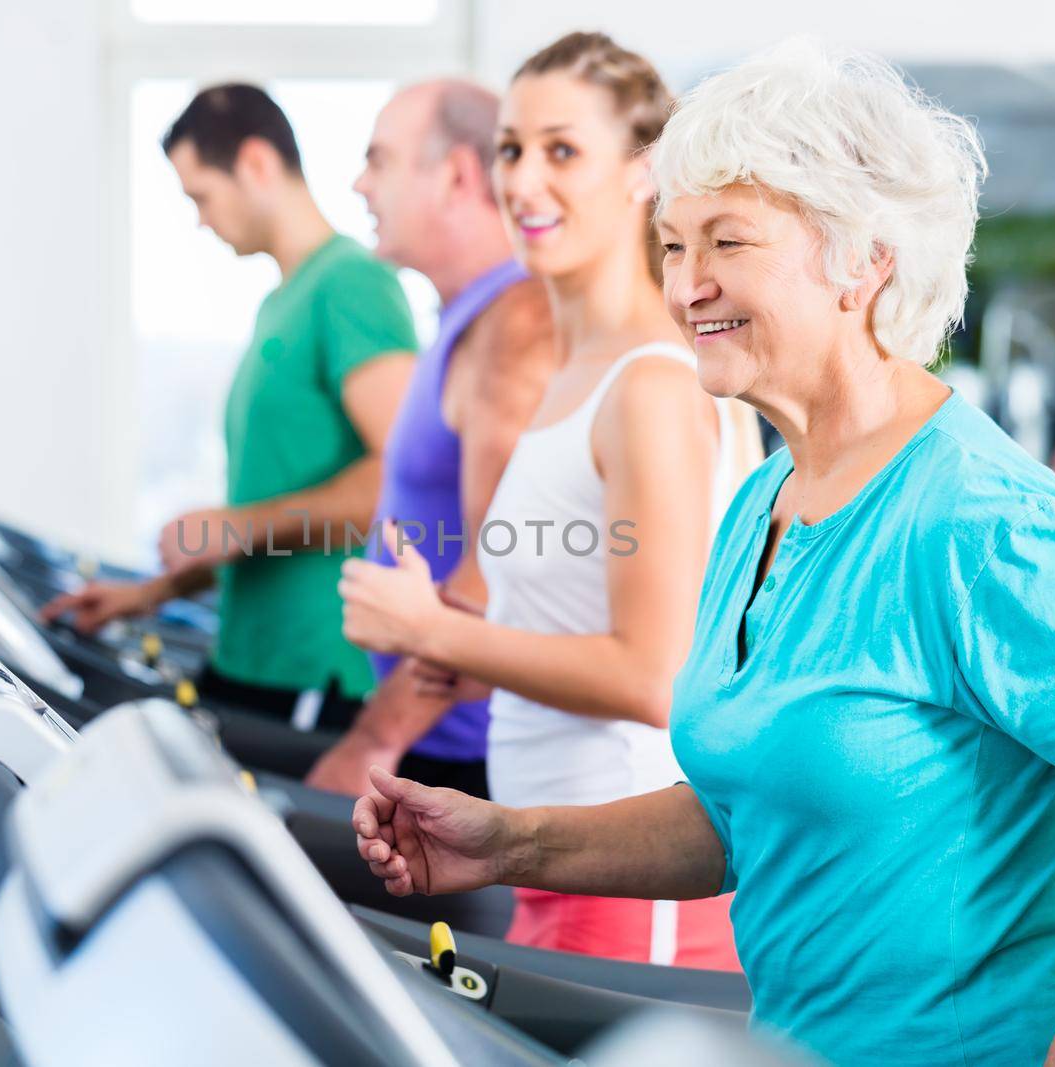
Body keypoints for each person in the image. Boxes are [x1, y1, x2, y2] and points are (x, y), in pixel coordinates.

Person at [352, 39, 1055, 1066]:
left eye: (727, 241)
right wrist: (506, 839)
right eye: (671, 245)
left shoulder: (983, 524)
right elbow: (739, 813)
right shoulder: (765, 498)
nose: (687, 284)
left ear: (863, 259)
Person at [339, 33, 758, 969]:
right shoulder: (585, 367)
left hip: (626, 887)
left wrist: (429, 630)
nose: (524, 182)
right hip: (552, 865)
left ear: (642, 172)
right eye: (513, 149)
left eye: (562, 151)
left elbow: (652, 678)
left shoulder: (650, 383)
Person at [43, 84, 416, 729]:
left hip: (317, 670)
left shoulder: (353, 284)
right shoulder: (284, 300)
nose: (200, 219)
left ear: (256, 164)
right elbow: (263, 512)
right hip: (248, 658)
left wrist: (234, 526)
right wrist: (151, 594)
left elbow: (401, 477)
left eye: (200, 196)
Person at [303, 80, 559, 799]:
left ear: (457, 175)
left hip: (466, 762)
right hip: (429, 745)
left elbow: (501, 566)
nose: (359, 183)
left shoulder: (514, 329)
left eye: (379, 160)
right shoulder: (470, 319)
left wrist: (375, 739)